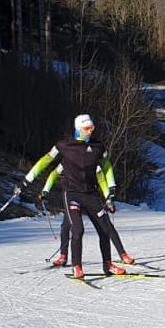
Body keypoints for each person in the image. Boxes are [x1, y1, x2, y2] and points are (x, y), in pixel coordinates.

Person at [22, 114, 132, 278]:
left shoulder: (98, 146)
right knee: (77, 230)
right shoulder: (64, 145)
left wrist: (111, 189)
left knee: (105, 229)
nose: (90, 131)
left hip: (91, 194)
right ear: (78, 129)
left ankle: (108, 265)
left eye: (92, 128)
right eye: (87, 128)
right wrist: (27, 181)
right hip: (72, 194)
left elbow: (107, 166)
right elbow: (44, 162)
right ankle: (77, 266)